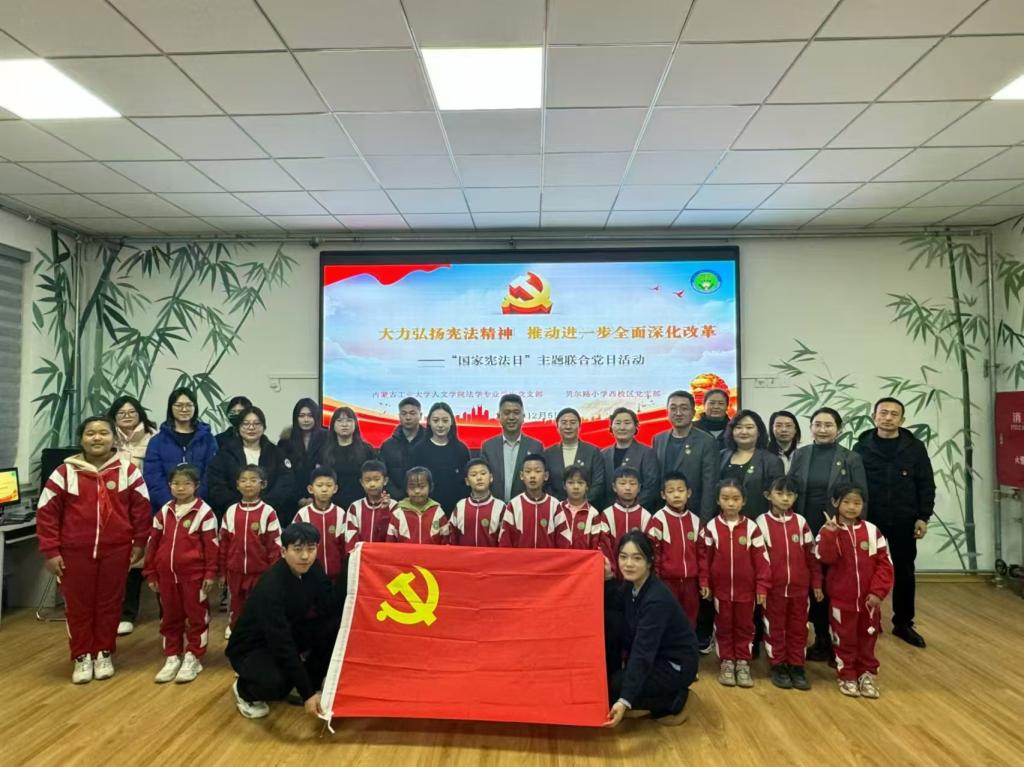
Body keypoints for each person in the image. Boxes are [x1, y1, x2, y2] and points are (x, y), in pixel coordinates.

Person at [36, 416, 151, 684]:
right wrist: (51, 550)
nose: (97, 438)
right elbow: (46, 514)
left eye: (103, 433)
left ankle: (103, 652)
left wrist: (139, 543)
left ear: (114, 438)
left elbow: (141, 510)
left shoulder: (128, 471)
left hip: (117, 551)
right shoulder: (64, 473)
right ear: (81, 439)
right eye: (90, 433)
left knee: (110, 604)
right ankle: (82, 655)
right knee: (78, 606)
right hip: (74, 552)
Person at [227, 522, 343, 720]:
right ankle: (243, 689)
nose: (305, 556)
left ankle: (310, 681)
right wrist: (307, 694)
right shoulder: (271, 586)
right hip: (252, 647)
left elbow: (329, 605)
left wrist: (351, 568)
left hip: (289, 630)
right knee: (278, 684)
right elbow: (281, 642)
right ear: (283, 551)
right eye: (297, 550)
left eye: (311, 549)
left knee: (332, 627)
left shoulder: (313, 567)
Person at [853, 396, 935, 649]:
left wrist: (923, 516)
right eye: (883, 413)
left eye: (894, 414)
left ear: (902, 419)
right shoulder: (861, 447)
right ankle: (868, 618)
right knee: (866, 571)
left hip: (904, 519)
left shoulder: (914, 448)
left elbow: (926, 484)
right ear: (873, 416)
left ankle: (903, 623)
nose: (888, 417)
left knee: (904, 571)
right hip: (870, 520)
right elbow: (853, 486)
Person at [789, 407, 866, 661]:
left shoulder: (851, 458)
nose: (822, 429)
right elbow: (790, 491)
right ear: (811, 427)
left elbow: (861, 497)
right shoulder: (800, 454)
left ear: (839, 429)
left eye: (828, 425)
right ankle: (822, 639)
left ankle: (841, 643)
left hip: (838, 530)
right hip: (805, 528)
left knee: (835, 586)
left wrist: (855, 533)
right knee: (815, 585)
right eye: (818, 424)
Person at [605, 531, 697, 728]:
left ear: (649, 562)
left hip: (674, 664)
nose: (628, 564)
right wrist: (608, 577)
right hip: (654, 655)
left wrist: (624, 700)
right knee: (611, 620)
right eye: (623, 557)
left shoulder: (657, 599)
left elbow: (643, 652)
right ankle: (624, 688)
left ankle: (674, 700)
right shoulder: (632, 584)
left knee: (615, 689)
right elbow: (615, 603)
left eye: (637, 558)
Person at [817, 484, 894, 698]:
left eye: (857, 503)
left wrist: (878, 592)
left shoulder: (872, 531)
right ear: (835, 503)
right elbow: (826, 558)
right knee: (844, 639)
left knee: (868, 639)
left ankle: (866, 675)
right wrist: (830, 535)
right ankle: (847, 675)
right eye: (846, 502)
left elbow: (885, 564)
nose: (851, 507)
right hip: (841, 600)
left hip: (869, 602)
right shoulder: (827, 530)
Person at [143, 464, 218, 685]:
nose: (181, 488)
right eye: (176, 483)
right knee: (169, 618)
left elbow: (212, 546)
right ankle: (172, 656)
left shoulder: (204, 513)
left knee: (196, 617)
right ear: (169, 485)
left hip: (194, 577)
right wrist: (151, 572)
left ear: (196, 486)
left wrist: (210, 573)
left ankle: (194, 656)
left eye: (186, 483)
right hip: (166, 578)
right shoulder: (164, 512)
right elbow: (153, 544)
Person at [698, 479, 771, 689]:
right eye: (726, 498)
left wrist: (762, 586)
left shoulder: (752, 528)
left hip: (746, 592)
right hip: (721, 592)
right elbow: (704, 559)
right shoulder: (711, 527)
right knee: (723, 626)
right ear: (718, 500)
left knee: (745, 627)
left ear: (744, 501)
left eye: (736, 499)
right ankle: (727, 662)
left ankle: (743, 662)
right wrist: (705, 581)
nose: (730, 503)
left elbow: (762, 560)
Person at [755, 476, 821, 691]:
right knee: (775, 628)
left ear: (796, 497)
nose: (785, 498)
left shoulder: (801, 523)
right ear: (768, 495)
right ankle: (778, 665)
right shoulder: (761, 523)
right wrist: (762, 586)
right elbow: (759, 559)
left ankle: (797, 665)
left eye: (790, 494)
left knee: (799, 628)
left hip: (799, 590)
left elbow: (811, 556)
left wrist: (816, 583)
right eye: (780, 493)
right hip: (773, 590)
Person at [107, 395, 158, 637]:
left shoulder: (152, 438)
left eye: (131, 412)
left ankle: (142, 613)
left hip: (145, 504)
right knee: (121, 560)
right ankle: (119, 612)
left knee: (144, 557)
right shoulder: (107, 438)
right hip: (114, 508)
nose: (127, 416)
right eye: (121, 413)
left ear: (140, 414)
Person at [218, 465, 282, 639]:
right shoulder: (231, 512)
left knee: (260, 604)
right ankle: (236, 630)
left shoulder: (268, 512)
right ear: (237, 485)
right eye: (244, 480)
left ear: (263, 484)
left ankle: (259, 634)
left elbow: (275, 546)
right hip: (235, 571)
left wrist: (272, 574)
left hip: (260, 572)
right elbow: (223, 544)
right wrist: (222, 572)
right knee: (236, 604)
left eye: (253, 480)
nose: (248, 484)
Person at [206, 405, 294, 522]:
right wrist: (238, 507)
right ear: (238, 427)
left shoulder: (276, 453)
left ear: (264, 427)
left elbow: (285, 482)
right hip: (233, 515)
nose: (251, 427)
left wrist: (264, 506)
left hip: (270, 514)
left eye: (256, 424)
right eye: (246, 424)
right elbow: (216, 484)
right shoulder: (225, 453)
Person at [143, 387, 218, 512]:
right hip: (166, 511)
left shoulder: (208, 439)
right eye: (179, 405)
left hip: (201, 510)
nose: (184, 409)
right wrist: (172, 506)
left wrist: (195, 504)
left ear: (195, 407)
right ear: (170, 408)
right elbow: (153, 477)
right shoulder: (157, 441)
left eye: (189, 405)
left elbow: (212, 474)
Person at [645, 471, 701, 629]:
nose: (676, 495)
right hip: (667, 582)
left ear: (688, 493)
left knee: (690, 617)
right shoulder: (658, 520)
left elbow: (702, 554)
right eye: (670, 491)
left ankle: (688, 643)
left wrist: (703, 580)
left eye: (680, 490)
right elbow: (653, 554)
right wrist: (655, 580)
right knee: (667, 617)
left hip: (690, 582)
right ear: (663, 495)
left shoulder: (695, 521)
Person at [652, 391, 719, 521]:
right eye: (673, 408)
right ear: (667, 412)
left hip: (694, 514)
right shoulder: (659, 439)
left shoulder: (707, 441)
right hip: (662, 514)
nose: (678, 413)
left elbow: (710, 485)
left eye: (684, 408)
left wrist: (704, 521)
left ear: (693, 413)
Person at [718, 409, 784, 519]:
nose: (743, 432)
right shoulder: (721, 456)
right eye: (738, 427)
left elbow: (777, 498)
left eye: (749, 427)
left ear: (759, 432)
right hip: (722, 520)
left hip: (756, 521)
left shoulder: (771, 461)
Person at [407, 402, 471, 513]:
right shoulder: (418, 450)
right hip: (426, 511)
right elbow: (411, 484)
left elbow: (467, 483)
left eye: (445, 421)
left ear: (451, 422)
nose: (440, 425)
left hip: (457, 511)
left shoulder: (461, 449)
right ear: (429, 422)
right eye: (436, 420)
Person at [480, 393, 543, 502]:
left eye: (516, 413)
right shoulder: (488, 447)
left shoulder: (535, 446)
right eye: (506, 413)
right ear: (499, 417)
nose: (511, 417)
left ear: (523, 417)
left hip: (525, 507)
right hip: (494, 508)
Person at [277, 398, 329, 522]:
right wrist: (298, 498)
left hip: (322, 499)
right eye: (302, 416)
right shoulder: (285, 442)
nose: (306, 420)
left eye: (310, 416)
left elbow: (329, 470)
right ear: (296, 418)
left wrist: (314, 497)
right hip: (291, 502)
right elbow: (284, 475)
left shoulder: (327, 439)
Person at [543, 407, 605, 508]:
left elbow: (598, 483)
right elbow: (546, 484)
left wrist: (580, 503)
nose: (568, 426)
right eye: (564, 422)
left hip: (587, 508)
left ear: (579, 427)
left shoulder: (593, 451)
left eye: (572, 422)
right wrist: (561, 505)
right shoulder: (548, 454)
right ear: (557, 427)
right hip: (556, 509)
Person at [601, 407, 661, 512]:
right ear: (611, 427)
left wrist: (630, 509)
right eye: (618, 423)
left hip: (639, 513)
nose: (622, 427)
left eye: (627, 423)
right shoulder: (603, 454)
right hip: (609, 513)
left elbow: (651, 487)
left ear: (635, 426)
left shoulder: (647, 452)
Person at [498, 454, 564, 548]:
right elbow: (505, 540)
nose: (532, 476)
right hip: (521, 557)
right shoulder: (514, 505)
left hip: (548, 558)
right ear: (521, 475)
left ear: (546, 476)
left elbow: (563, 540)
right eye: (528, 471)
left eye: (538, 471)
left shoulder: (555, 505)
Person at [293, 468, 346, 578]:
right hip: (309, 575)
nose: (324, 489)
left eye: (329, 485)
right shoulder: (303, 514)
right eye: (319, 485)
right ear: (310, 489)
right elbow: (294, 544)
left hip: (337, 575)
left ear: (335, 489)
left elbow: (345, 546)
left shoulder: (341, 514)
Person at [320, 406, 376, 510]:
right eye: (340, 421)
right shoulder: (324, 451)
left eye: (349, 420)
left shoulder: (366, 450)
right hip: (332, 505)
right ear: (333, 425)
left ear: (355, 424)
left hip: (362, 504)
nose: (344, 424)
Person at [554, 465, 611, 567]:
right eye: (571, 483)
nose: (576, 487)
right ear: (564, 486)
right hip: (559, 564)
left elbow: (595, 545)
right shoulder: (557, 509)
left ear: (587, 486)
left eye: (580, 483)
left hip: (583, 567)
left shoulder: (593, 514)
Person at [379, 396, 428, 499]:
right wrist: (398, 497)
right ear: (399, 416)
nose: (408, 417)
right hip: (395, 501)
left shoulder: (430, 442)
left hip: (426, 500)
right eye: (404, 413)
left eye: (412, 413)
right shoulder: (388, 446)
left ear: (420, 415)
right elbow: (382, 475)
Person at [448, 458, 504, 547]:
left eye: (483, 473)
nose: (479, 478)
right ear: (467, 481)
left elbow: (505, 541)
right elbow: (452, 539)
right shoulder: (460, 506)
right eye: (473, 475)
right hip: (465, 556)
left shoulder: (500, 507)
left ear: (491, 477)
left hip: (491, 556)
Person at [344, 459, 398, 551]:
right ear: (361, 482)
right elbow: (350, 538)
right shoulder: (355, 507)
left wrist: (385, 511)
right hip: (361, 556)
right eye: (367, 480)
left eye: (377, 479)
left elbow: (393, 537)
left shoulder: (394, 506)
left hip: (385, 555)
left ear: (385, 481)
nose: (372, 484)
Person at [386, 467, 449, 544]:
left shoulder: (438, 512)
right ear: (406, 489)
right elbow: (390, 543)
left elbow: (446, 541)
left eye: (422, 486)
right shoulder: (398, 514)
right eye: (412, 487)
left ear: (430, 487)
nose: (417, 491)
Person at [601, 465, 653, 558]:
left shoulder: (646, 516)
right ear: (614, 487)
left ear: (639, 488)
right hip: (613, 565)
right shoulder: (607, 514)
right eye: (622, 483)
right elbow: (604, 547)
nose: (628, 488)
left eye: (632, 484)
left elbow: (650, 547)